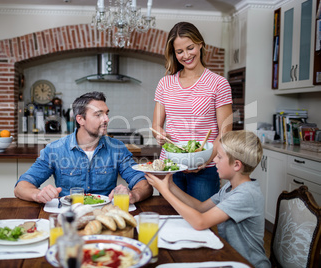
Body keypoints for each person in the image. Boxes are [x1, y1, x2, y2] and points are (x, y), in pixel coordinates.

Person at [145, 130, 271, 268]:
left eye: (219, 156)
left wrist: (163, 190)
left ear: (236, 165)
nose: (214, 160)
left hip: (247, 264)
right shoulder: (230, 187)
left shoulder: (246, 194)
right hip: (231, 257)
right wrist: (169, 184)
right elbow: (200, 207)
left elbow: (200, 222)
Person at [14, 91, 153, 204]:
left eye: (106, 113)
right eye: (98, 114)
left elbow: (144, 184)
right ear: (80, 119)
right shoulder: (55, 149)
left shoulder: (117, 148)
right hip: (68, 217)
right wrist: (38, 195)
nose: (106, 119)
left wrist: (133, 195)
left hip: (106, 215)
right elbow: (21, 187)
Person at [152, 21, 233, 201]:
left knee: (202, 222)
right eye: (180, 51)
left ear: (200, 44)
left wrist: (203, 160)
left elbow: (225, 132)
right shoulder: (165, 83)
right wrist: (159, 134)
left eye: (190, 48)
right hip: (171, 166)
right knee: (170, 220)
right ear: (174, 53)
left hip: (206, 167)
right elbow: (156, 125)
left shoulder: (218, 84)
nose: (186, 55)